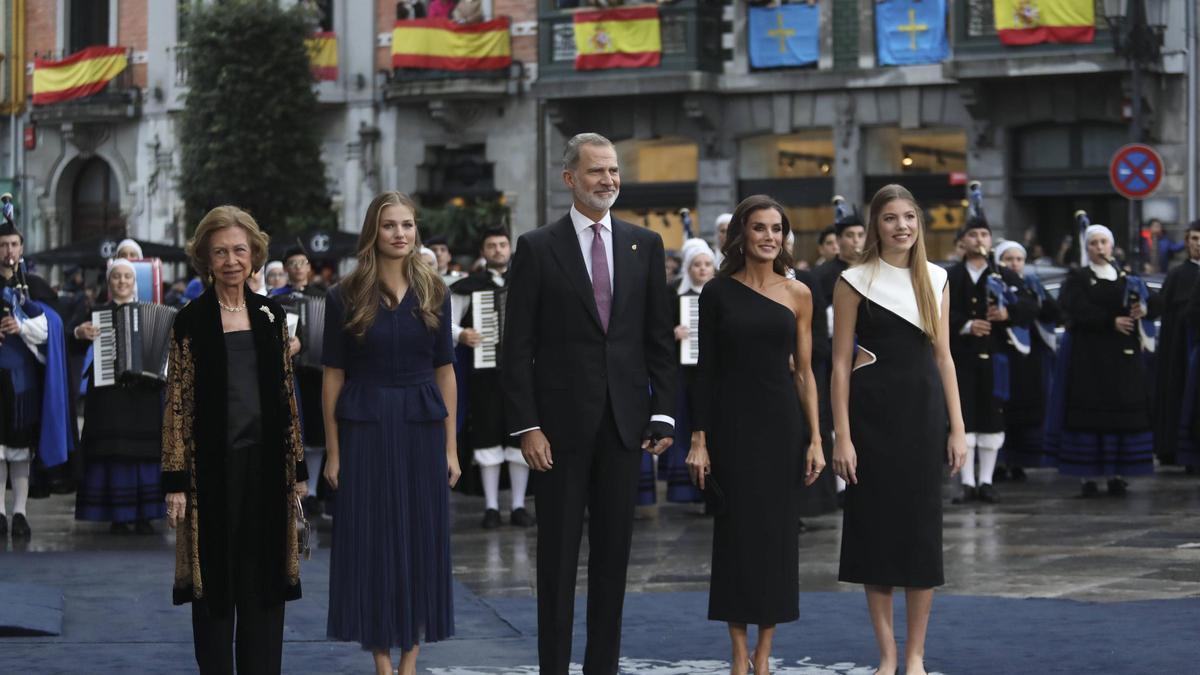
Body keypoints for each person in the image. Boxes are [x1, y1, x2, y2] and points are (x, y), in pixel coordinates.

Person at [501, 132, 675, 675]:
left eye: (615, 171)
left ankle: (603, 667)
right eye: (597, 171)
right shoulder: (536, 247)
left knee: (613, 560)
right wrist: (527, 426)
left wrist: (663, 411)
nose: (609, 180)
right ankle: (553, 667)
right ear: (570, 178)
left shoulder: (644, 245)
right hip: (556, 431)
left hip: (624, 427)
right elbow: (515, 348)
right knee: (555, 560)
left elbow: (657, 340)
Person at [161, 205, 308, 674]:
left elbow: (287, 399)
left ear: (255, 255)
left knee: (264, 585)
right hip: (210, 474)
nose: (230, 260)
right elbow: (177, 402)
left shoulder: (271, 316)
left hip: (266, 470)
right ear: (205, 257)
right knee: (216, 589)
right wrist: (176, 480)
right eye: (220, 251)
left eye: (239, 250)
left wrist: (297, 471)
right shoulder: (190, 320)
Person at [831, 184, 967, 675]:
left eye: (910, 216)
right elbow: (840, 363)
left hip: (922, 416)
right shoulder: (852, 281)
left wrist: (958, 428)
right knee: (875, 534)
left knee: (920, 535)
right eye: (891, 218)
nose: (902, 226)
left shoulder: (937, 278)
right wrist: (841, 436)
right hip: (870, 420)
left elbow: (944, 356)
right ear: (875, 225)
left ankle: (915, 657)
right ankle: (887, 655)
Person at [323, 191, 461, 675]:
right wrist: (333, 454)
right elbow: (333, 377)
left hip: (422, 427)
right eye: (389, 226)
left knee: (420, 539)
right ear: (372, 233)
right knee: (371, 541)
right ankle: (382, 661)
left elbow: (446, 371)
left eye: (407, 225)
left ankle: (410, 662)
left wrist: (452, 447)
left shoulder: (436, 291)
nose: (400, 234)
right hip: (365, 426)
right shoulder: (342, 295)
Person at [684, 196, 824, 673]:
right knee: (736, 538)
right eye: (759, 228)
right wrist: (699, 439)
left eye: (777, 228)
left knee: (776, 539)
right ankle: (738, 652)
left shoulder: (799, 293)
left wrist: (816, 439)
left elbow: (805, 373)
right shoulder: (717, 292)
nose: (769, 236)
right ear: (741, 235)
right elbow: (705, 370)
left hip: (781, 425)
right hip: (731, 428)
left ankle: (764, 653)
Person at [1046, 224, 1157, 496]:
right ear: (1087, 248)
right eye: (1094, 243)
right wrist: (1110, 321)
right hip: (1089, 360)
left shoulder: (1124, 276)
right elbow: (1073, 308)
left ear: (1112, 245)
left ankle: (1118, 473)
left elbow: (1154, 302)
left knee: (1120, 416)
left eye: (1103, 242)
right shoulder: (1078, 278)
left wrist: (1142, 306)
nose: (1099, 248)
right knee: (1089, 418)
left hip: (1122, 361)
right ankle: (1088, 477)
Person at [449, 225, 534, 528]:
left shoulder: (525, 281)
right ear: (483, 252)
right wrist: (463, 335)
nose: (498, 250)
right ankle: (491, 507)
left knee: (519, 434)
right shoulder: (467, 286)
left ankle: (520, 505)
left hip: (522, 373)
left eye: (502, 244)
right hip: (483, 374)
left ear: (509, 248)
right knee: (487, 435)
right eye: (492, 245)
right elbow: (447, 323)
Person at [73, 260, 166, 534]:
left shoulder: (153, 312)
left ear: (134, 281)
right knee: (112, 453)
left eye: (127, 276)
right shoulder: (95, 312)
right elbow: (68, 335)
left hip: (144, 396)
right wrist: (80, 332)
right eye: (116, 277)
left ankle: (145, 514)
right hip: (108, 395)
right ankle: (117, 514)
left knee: (146, 453)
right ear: (109, 282)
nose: (122, 281)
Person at [946, 218, 1035, 504]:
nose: (979, 239)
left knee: (992, 415)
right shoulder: (951, 276)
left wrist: (1008, 314)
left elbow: (1030, 305)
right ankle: (967, 482)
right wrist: (966, 325)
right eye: (973, 234)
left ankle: (986, 480)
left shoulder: (1003, 275)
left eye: (984, 234)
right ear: (963, 241)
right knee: (965, 417)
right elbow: (937, 313)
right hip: (961, 358)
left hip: (997, 358)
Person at [0, 220, 73, 539]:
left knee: (19, 449)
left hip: (23, 382)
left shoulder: (34, 285)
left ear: (22, 248)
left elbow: (51, 328)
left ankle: (20, 512)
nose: (8, 251)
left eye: (13, 244)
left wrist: (22, 326)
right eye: (3, 245)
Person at [644, 237, 715, 507]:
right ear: (689, 268)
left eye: (708, 264)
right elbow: (657, 331)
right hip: (683, 371)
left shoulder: (720, 293)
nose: (703, 269)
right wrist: (673, 333)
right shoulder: (675, 295)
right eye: (697, 265)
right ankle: (684, 488)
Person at [993, 241, 1059, 477]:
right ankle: (999, 463)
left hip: (1030, 360)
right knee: (1004, 411)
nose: (1014, 264)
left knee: (1026, 413)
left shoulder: (1033, 285)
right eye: (1008, 259)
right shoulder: (995, 284)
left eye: (1019, 259)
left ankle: (1019, 461)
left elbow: (1052, 312)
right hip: (1006, 357)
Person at [1152, 220, 1200, 467]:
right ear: (1187, 242)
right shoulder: (1177, 274)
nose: (1198, 244)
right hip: (1181, 349)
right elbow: (1166, 309)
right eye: (1194, 238)